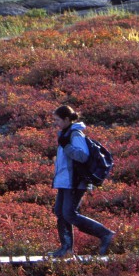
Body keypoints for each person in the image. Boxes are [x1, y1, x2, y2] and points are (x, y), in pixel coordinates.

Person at [50, 105, 115, 258]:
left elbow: (83, 156)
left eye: (57, 120)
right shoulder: (65, 134)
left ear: (67, 119)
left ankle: (105, 234)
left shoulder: (75, 135)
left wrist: (67, 147)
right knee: (60, 212)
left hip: (75, 181)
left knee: (69, 214)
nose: (55, 123)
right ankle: (66, 248)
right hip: (65, 181)